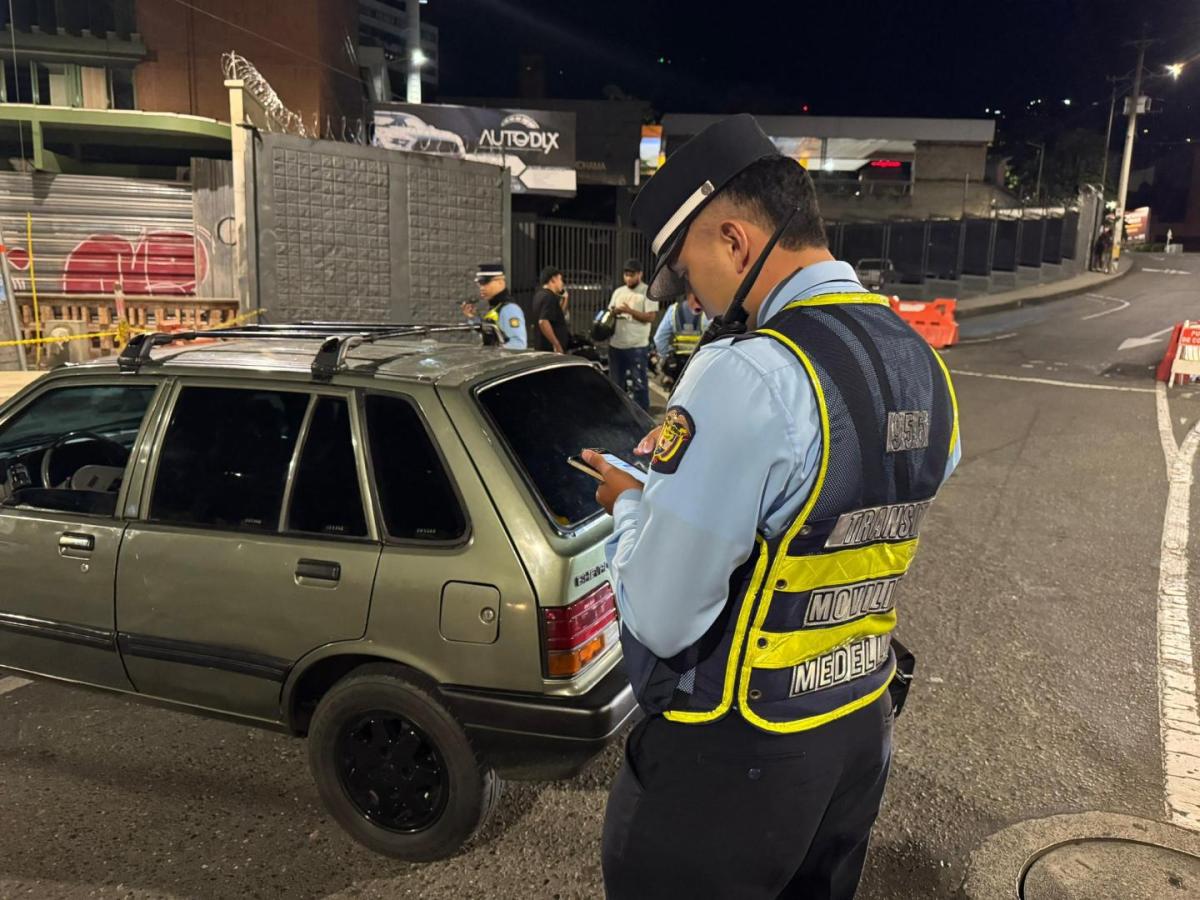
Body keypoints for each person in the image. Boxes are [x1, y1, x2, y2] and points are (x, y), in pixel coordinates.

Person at [581, 114, 961, 900]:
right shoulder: (919, 360)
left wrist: (631, 509)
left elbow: (663, 613)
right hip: (858, 730)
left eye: (687, 273)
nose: (692, 296)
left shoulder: (749, 373)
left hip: (735, 754)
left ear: (733, 242)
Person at [606, 258, 658, 410]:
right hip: (616, 345)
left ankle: (642, 415)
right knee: (616, 384)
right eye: (626, 275)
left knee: (639, 384)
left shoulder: (647, 292)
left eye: (632, 275)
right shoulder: (618, 292)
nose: (628, 278)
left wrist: (629, 311)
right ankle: (619, 413)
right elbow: (610, 311)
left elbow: (650, 317)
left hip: (637, 346)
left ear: (640, 275)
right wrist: (615, 312)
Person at [460, 262, 526, 350]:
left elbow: (518, 345)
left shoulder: (509, 309)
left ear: (500, 282)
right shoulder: (496, 307)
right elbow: (489, 334)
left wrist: (493, 353)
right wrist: (472, 317)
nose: (481, 288)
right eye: (479, 283)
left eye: (485, 282)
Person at [652, 290, 708, 387]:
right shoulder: (708, 312)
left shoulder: (673, 310)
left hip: (677, 364)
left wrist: (666, 355)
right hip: (699, 363)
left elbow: (659, 338)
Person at [532, 265, 570, 354]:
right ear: (553, 279)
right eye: (560, 279)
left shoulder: (540, 295)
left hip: (542, 348)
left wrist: (565, 299)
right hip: (550, 350)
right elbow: (543, 321)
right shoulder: (549, 297)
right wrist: (556, 344)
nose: (562, 283)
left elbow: (556, 315)